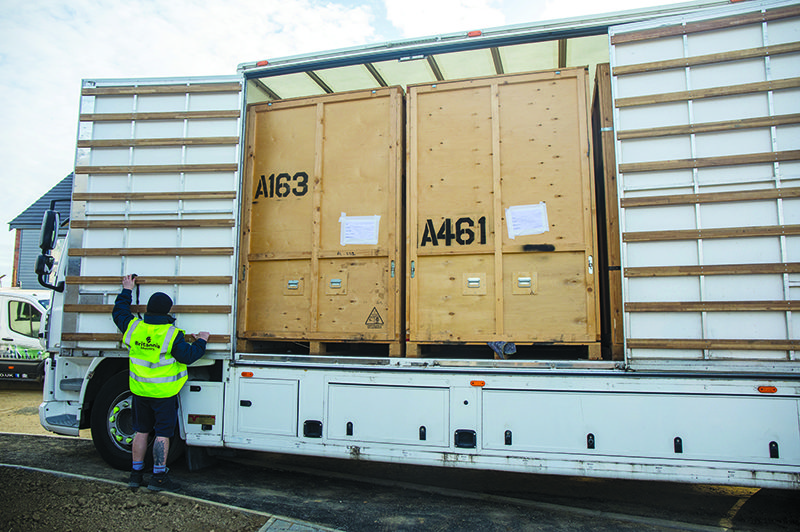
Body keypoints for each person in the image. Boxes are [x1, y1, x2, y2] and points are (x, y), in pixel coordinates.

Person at [112, 274, 210, 491]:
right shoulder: (172, 334)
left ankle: (135, 475)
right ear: (168, 311)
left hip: (140, 392)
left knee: (141, 431)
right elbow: (188, 356)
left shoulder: (134, 328)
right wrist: (202, 340)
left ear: (148, 309)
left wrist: (127, 289)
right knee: (162, 434)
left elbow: (119, 313)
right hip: (164, 395)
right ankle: (157, 477)